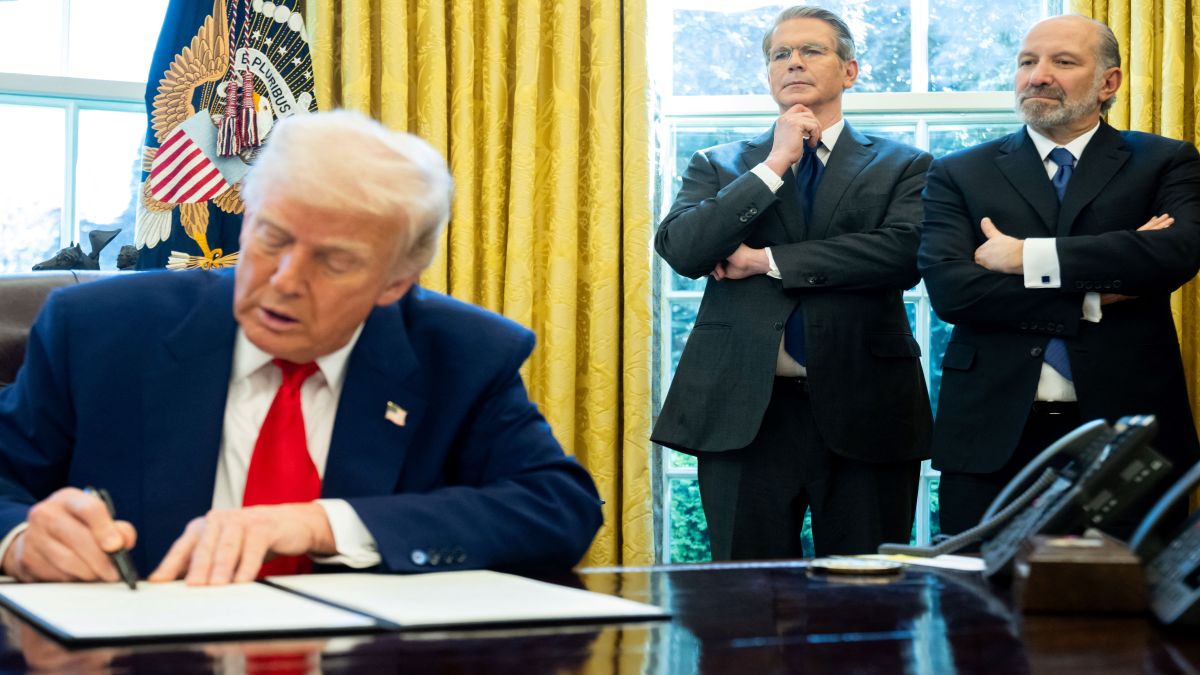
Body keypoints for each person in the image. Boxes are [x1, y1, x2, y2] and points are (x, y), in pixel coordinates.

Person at [0, 110, 603, 584]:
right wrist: (23, 538)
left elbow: (557, 507)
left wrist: (321, 523)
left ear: (396, 280)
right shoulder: (98, 331)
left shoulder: (463, 354)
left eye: (335, 261)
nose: (285, 280)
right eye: (272, 238)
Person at [651, 6, 932, 559]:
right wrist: (775, 163)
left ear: (850, 71)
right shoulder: (719, 163)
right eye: (781, 54)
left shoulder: (905, 165)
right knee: (743, 600)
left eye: (812, 51)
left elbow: (902, 253)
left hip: (867, 404)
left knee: (868, 602)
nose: (793, 62)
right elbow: (684, 249)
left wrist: (764, 260)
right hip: (742, 412)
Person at [919, 15, 1200, 535]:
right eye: (1027, 62)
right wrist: (1092, 297)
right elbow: (954, 292)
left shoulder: (1164, 161)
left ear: (1108, 83)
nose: (1038, 75)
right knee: (983, 605)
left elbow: (1175, 254)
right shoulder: (959, 171)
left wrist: (1025, 257)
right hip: (989, 437)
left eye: (1063, 62)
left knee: (1125, 609)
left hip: (1128, 431)